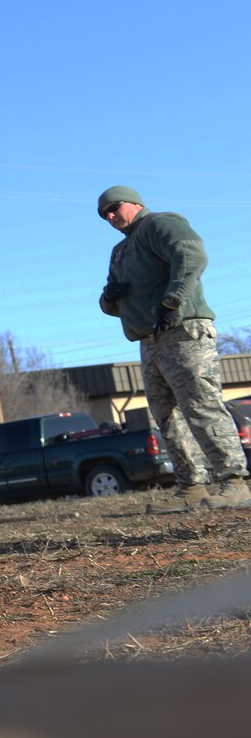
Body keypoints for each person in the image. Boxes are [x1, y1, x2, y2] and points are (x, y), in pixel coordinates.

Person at [96, 186, 250, 512]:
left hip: (183, 330)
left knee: (201, 405)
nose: (110, 216)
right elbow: (111, 306)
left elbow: (192, 253)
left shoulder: (159, 224)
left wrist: (173, 299)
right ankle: (191, 487)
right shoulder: (120, 251)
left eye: (114, 207)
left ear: (135, 203)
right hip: (149, 340)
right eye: (104, 214)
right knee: (166, 417)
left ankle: (234, 482)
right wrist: (110, 296)